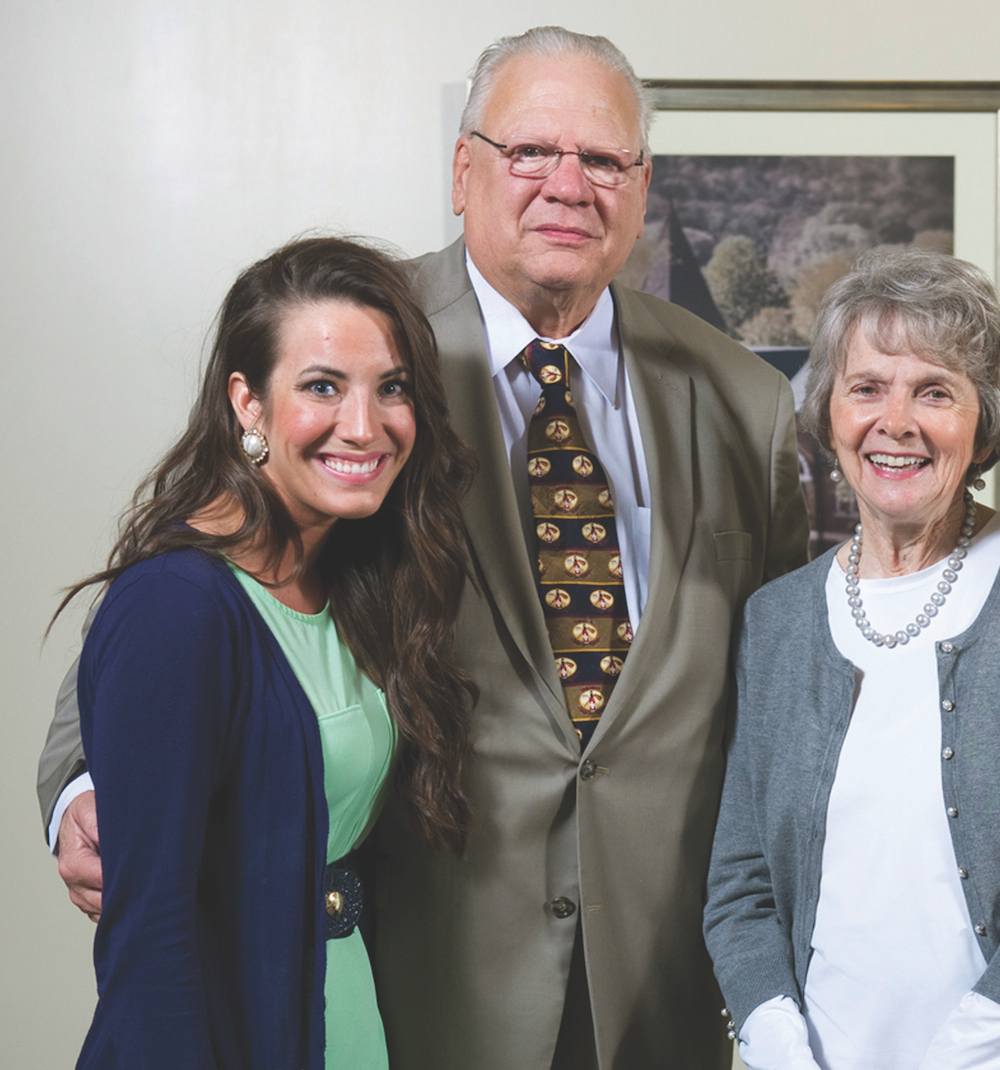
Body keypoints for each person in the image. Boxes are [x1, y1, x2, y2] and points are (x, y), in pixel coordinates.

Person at [40, 27, 810, 1069]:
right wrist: (87, 780)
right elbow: (189, 576)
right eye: (529, 151)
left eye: (601, 160)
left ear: (640, 186)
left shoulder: (743, 397)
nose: (564, 185)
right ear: (462, 169)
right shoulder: (356, 353)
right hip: (421, 969)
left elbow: (782, 685)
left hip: (660, 982)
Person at [704, 247, 1000, 1070]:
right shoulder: (774, 621)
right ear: (829, 413)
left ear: (985, 420)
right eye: (866, 387)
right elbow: (739, 886)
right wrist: (779, 1050)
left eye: (935, 391)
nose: (896, 422)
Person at [52, 236, 475, 1069]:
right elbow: (151, 937)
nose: (365, 425)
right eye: (323, 386)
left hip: (342, 1015)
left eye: (391, 389)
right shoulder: (175, 608)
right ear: (246, 403)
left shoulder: (349, 580)